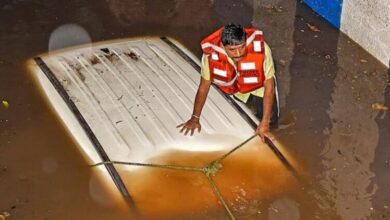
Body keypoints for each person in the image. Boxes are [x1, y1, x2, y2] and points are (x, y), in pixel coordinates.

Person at [177, 24, 279, 141]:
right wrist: (195, 118)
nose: (238, 53)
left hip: (260, 86)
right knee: (243, 103)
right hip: (236, 87)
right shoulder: (210, 56)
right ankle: (246, 100)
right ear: (222, 46)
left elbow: (269, 87)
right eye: (232, 50)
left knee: (271, 119)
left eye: (242, 47)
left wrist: (265, 123)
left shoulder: (262, 50)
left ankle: (265, 121)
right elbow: (203, 88)